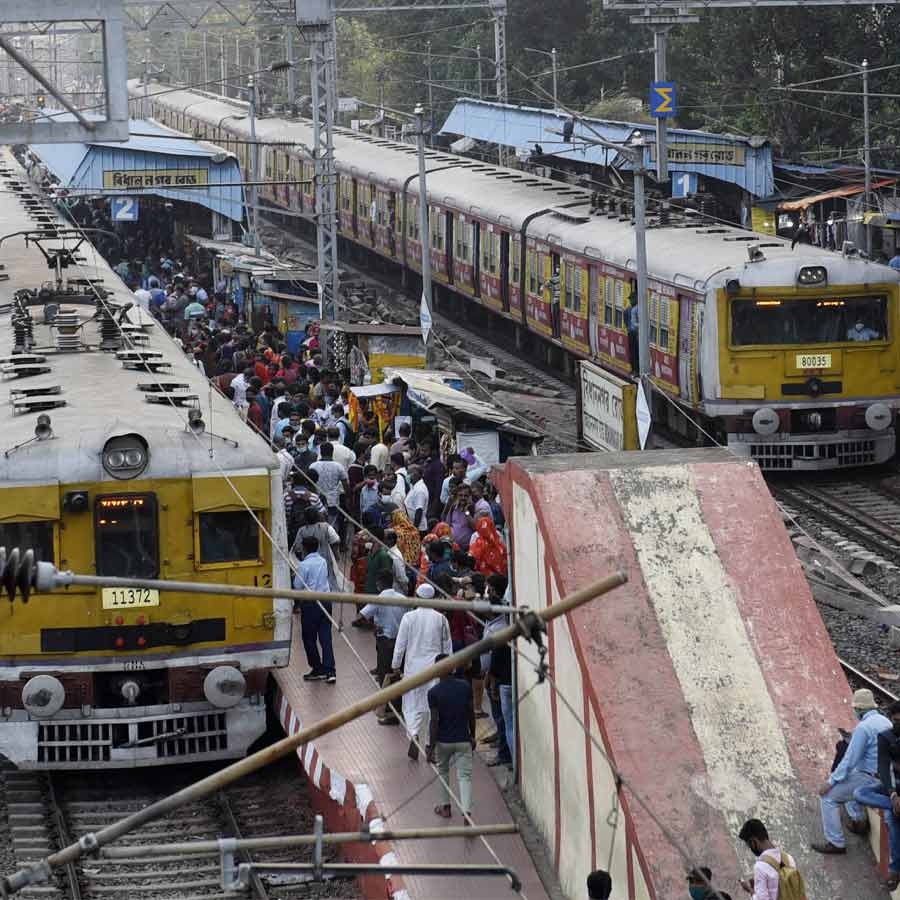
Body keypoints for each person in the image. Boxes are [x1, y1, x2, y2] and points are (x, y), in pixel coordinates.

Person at [813, 687, 891, 854]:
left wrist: (830, 781)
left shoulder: (864, 728)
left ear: (860, 709)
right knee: (849, 782)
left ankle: (836, 842)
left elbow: (849, 760)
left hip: (869, 777)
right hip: (884, 776)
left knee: (828, 798)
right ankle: (859, 821)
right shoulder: (886, 722)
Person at [391, 584, 452, 760]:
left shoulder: (408, 618)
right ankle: (429, 745)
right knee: (432, 708)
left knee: (411, 705)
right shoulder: (441, 619)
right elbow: (447, 646)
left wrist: (395, 665)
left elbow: (400, 644)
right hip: (434, 669)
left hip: (413, 670)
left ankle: (414, 733)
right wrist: (450, 667)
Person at [853, 699, 900, 890]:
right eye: (895, 720)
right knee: (859, 792)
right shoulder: (885, 737)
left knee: (891, 818)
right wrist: (894, 796)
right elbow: (884, 766)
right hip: (892, 789)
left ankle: (895, 869)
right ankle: (894, 806)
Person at [427, 653, 475, 820]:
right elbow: (471, 713)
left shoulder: (433, 693)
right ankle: (467, 812)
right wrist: (473, 736)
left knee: (443, 772)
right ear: (453, 667)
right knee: (465, 776)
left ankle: (446, 808)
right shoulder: (465, 687)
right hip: (463, 739)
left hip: (443, 741)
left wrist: (431, 746)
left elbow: (434, 721)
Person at [294, 536, 336, 684]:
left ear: (304, 548)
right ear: (317, 547)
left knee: (309, 638)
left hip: (311, 604)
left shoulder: (303, 565)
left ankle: (317, 669)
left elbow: (298, 586)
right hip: (325, 601)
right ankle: (330, 671)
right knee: (325, 638)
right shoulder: (323, 561)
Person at [360, 570, 408, 688]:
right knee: (398, 672)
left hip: (385, 641)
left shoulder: (379, 598)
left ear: (380, 583)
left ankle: (386, 703)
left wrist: (374, 626)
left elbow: (362, 615)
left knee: (384, 672)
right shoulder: (403, 598)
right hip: (400, 641)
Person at [738, 818, 805, 900]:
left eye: (749, 845)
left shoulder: (760, 867)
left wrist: (750, 890)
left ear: (753, 842)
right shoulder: (788, 857)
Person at [292, 507, 341, 591]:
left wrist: (302, 561)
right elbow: (336, 540)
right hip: (325, 561)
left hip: (308, 563)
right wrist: (336, 556)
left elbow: (297, 548)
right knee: (326, 583)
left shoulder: (301, 531)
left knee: (309, 583)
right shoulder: (326, 527)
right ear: (318, 516)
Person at [310, 442, 349, 531]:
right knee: (332, 526)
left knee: (317, 525)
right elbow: (345, 484)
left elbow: (310, 484)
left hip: (317, 501)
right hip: (333, 501)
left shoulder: (313, 466)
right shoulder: (338, 466)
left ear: (321, 451)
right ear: (332, 452)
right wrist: (347, 497)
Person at [405, 464, 430, 533]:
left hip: (419, 529)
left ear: (416, 475)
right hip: (411, 525)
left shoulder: (420, 490)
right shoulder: (414, 486)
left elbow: (419, 510)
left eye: (409, 473)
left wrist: (414, 529)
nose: (407, 476)